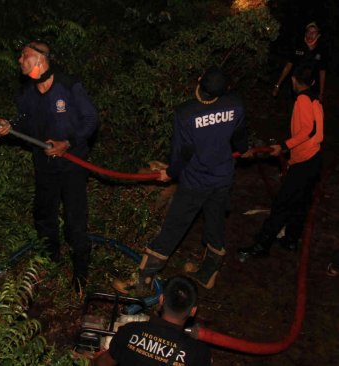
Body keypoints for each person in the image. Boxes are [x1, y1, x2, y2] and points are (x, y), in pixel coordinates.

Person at [112, 66, 251, 293]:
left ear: (199, 82)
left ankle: (143, 281)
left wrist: (171, 172)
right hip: (223, 178)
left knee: (173, 227)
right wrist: (244, 149)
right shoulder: (235, 104)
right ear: (224, 89)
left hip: (196, 182)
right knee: (215, 223)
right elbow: (240, 139)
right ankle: (208, 274)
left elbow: (182, 152)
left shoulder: (186, 113)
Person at [0, 40, 98, 292]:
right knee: (44, 214)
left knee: (74, 220)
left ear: (40, 59)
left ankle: (80, 275)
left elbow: (91, 119)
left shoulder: (68, 86)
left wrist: (68, 143)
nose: (19, 60)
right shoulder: (27, 92)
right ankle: (51, 262)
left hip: (72, 164)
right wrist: (9, 126)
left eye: (24, 55)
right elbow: (24, 121)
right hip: (44, 163)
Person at [239, 64, 323, 260]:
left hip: (304, 161)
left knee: (282, 205)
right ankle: (291, 239)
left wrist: (284, 146)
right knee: (301, 203)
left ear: (294, 80)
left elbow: (308, 131)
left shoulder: (302, 100)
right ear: (312, 82)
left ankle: (261, 245)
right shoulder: (315, 99)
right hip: (314, 159)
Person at [93, 276, 212, 366]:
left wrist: (96, 358)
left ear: (161, 300)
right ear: (193, 311)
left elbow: (102, 363)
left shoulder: (130, 331)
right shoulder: (199, 353)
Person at [272, 22, 327, 103]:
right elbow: (288, 66)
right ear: (305, 33)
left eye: (313, 32)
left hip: (313, 88)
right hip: (296, 87)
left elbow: (322, 71)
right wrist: (278, 85)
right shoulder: (298, 46)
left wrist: (321, 93)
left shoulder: (321, 50)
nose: (310, 34)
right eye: (308, 31)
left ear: (318, 35)